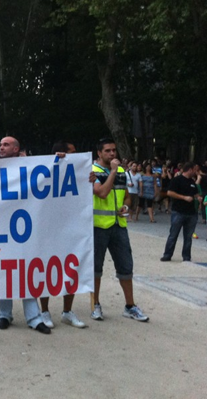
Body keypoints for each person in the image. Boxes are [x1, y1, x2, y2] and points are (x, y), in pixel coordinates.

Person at [0, 135, 51, 334]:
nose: (1, 147)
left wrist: (62, 160)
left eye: (6, 144)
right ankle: (4, 314)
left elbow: (53, 174)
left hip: (23, 229)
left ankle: (34, 317)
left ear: (17, 149)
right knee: (2, 272)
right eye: (0, 144)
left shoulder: (31, 167)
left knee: (27, 270)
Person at [91, 138, 148, 322]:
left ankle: (130, 306)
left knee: (126, 266)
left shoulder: (123, 172)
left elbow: (127, 198)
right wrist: (113, 172)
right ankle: (95, 305)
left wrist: (126, 207)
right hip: (98, 226)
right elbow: (102, 193)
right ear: (99, 153)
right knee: (95, 268)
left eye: (114, 150)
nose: (112, 154)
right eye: (107, 150)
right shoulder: (92, 171)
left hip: (119, 225)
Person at [38, 140, 86, 329]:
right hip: (47, 229)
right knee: (45, 269)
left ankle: (67, 311)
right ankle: (44, 310)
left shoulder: (78, 171)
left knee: (71, 268)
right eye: (72, 152)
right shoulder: (44, 171)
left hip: (70, 228)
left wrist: (89, 178)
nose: (76, 154)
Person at [160, 162, 202, 263]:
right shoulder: (177, 180)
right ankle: (167, 254)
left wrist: (198, 198)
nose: (195, 172)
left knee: (188, 237)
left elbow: (195, 193)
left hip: (191, 213)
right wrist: (183, 197)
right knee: (173, 234)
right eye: (194, 170)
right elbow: (170, 193)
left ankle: (186, 256)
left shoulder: (192, 182)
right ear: (190, 169)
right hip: (178, 211)